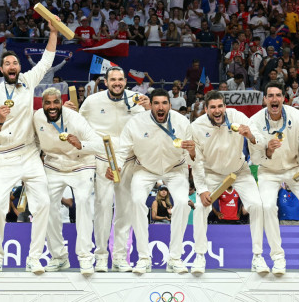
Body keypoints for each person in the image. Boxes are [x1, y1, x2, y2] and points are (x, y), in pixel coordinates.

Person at [0, 14, 60, 274]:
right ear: (2, 70)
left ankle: (34, 257)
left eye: (15, 62)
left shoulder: (27, 81)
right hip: (5, 156)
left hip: (30, 154)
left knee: (45, 204)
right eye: (8, 64)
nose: (13, 66)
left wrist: (53, 31)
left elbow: (47, 60)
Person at [110, 88, 194, 274]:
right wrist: (116, 167)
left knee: (181, 203)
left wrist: (193, 152)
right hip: (145, 168)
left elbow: (193, 156)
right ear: (151, 106)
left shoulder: (182, 122)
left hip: (175, 168)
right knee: (138, 201)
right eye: (156, 103)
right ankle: (143, 258)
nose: (160, 107)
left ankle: (175, 258)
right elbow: (123, 150)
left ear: (170, 106)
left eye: (164, 103)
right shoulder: (136, 123)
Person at [79, 66, 149, 272]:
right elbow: (78, 123)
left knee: (125, 209)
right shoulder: (92, 101)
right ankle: (100, 256)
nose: (117, 83)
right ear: (106, 82)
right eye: (113, 80)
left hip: (128, 160)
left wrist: (147, 110)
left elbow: (149, 126)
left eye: (120, 79)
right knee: (102, 207)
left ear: (125, 81)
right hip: (103, 160)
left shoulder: (137, 99)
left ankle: (120, 257)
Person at [248, 81, 299, 274]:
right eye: (270, 95)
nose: (274, 99)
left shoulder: (297, 116)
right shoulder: (254, 121)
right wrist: (269, 151)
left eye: (278, 95)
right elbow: (255, 158)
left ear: (284, 98)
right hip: (268, 170)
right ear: (265, 99)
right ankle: (278, 257)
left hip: (295, 168)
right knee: (267, 206)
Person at [190, 90, 268, 273]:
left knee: (257, 205)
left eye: (220, 106)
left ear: (225, 106)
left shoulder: (238, 116)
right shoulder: (196, 127)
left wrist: (250, 135)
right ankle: (199, 256)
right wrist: (201, 190)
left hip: (239, 171)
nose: (217, 111)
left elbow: (261, 141)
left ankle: (258, 256)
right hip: (211, 173)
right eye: (213, 108)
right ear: (206, 109)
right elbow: (196, 162)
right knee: (200, 208)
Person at [33, 87, 103, 275]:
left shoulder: (75, 118)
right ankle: (59, 257)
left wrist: (82, 144)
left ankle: (86, 257)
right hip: (53, 165)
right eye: (48, 103)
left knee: (82, 202)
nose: (52, 106)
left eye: (56, 102)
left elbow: (99, 144)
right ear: (42, 104)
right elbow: (33, 142)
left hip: (81, 164)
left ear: (61, 102)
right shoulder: (37, 117)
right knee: (46, 205)